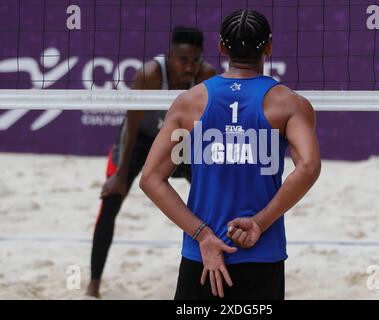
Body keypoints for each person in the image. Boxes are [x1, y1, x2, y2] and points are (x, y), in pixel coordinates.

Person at [139, 9, 321, 300]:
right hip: (262, 251)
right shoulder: (290, 104)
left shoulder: (189, 103)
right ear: (270, 47)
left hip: (203, 254)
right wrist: (260, 223)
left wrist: (204, 235)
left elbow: (150, 179)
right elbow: (309, 167)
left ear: (222, 48)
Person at [86, 26, 217, 298]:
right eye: (183, 60)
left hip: (180, 141)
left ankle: (216, 270)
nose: (189, 67)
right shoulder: (150, 75)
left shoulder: (207, 77)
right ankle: (93, 285)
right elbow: (129, 127)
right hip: (141, 141)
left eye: (195, 60)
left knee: (215, 199)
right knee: (110, 200)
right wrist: (120, 175)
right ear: (169, 56)